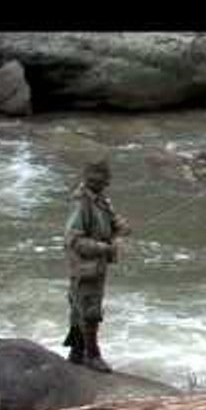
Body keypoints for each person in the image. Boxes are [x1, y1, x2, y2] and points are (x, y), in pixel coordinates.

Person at [63, 157, 131, 373]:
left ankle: (76, 352)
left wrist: (121, 228)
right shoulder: (81, 203)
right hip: (85, 266)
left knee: (80, 305)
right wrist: (105, 248)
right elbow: (74, 240)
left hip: (96, 266)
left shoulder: (100, 200)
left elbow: (113, 222)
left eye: (105, 180)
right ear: (92, 180)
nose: (105, 183)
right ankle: (91, 355)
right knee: (88, 309)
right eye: (102, 179)